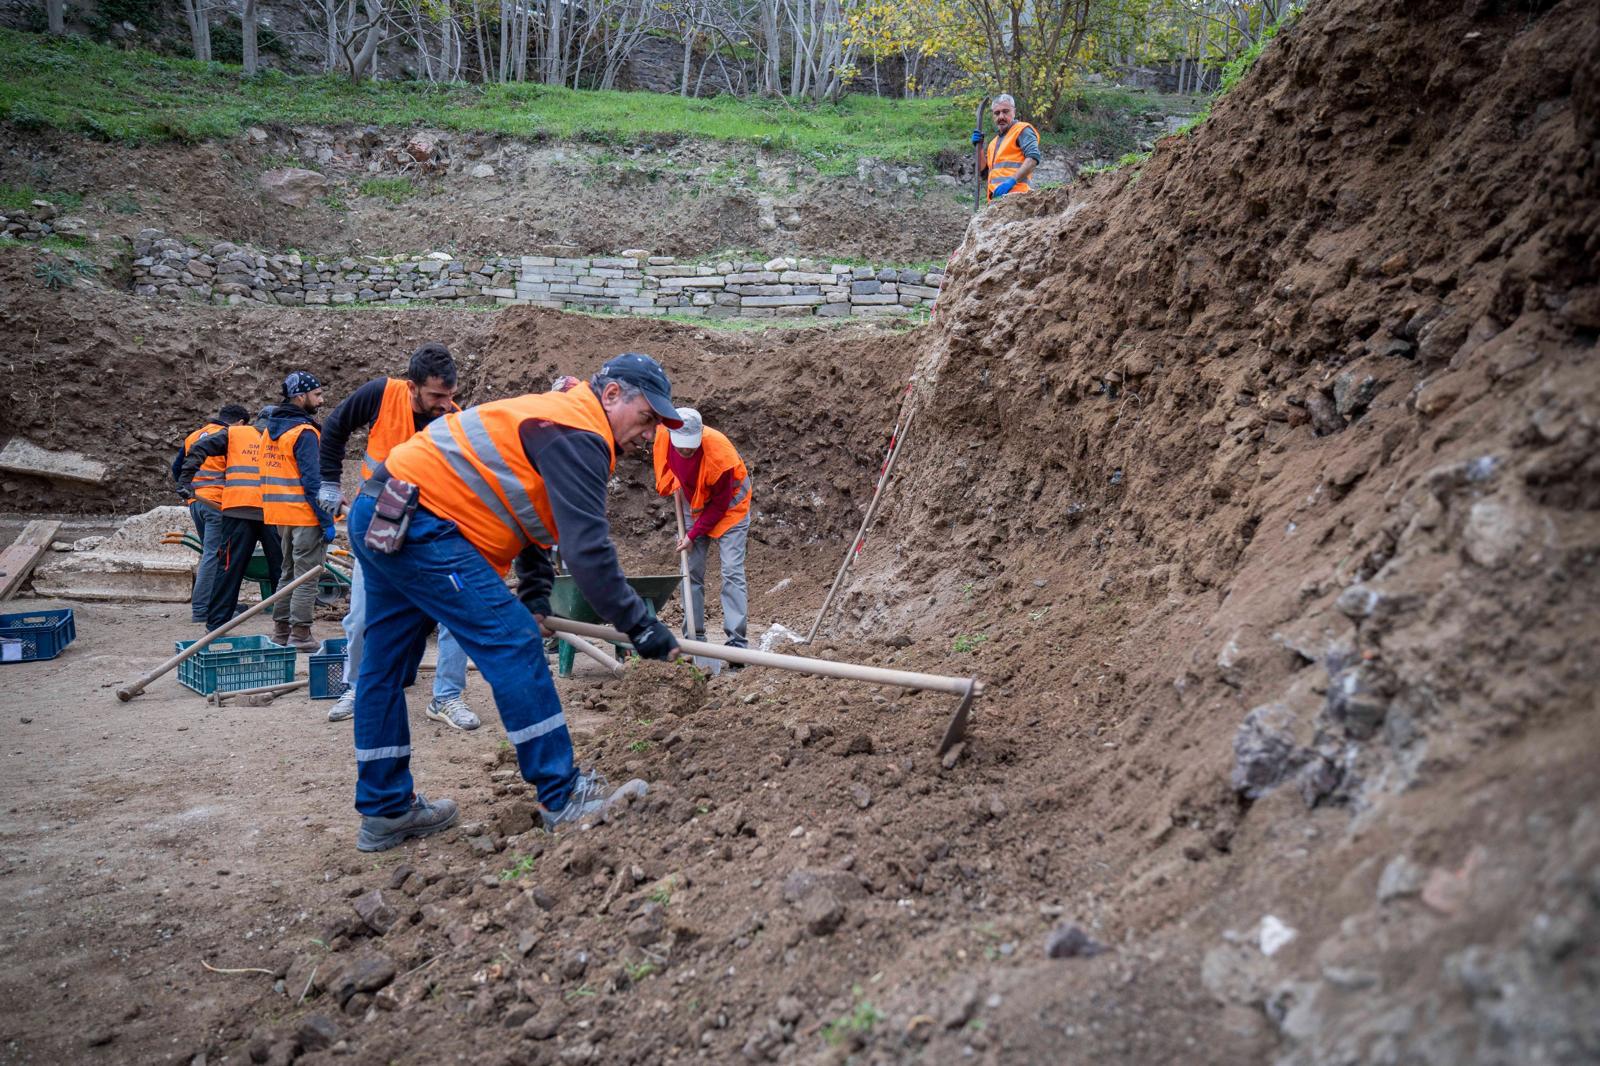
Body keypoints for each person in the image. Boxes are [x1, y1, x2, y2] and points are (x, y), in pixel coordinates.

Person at [346, 353, 684, 851]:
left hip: (384, 508)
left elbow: (528, 515)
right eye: (647, 417)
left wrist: (535, 598)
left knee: (385, 665)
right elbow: (587, 552)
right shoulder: (579, 433)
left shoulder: (560, 419)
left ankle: (385, 808)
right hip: (422, 523)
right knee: (513, 642)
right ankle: (563, 794)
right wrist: (643, 626)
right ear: (613, 395)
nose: (649, 433)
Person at [318, 343, 479, 731]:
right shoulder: (381, 393)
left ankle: (446, 697)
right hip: (375, 523)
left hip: (428, 529)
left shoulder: (454, 421)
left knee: (455, 614)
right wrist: (327, 482)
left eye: (451, 396)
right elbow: (335, 427)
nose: (445, 404)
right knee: (360, 617)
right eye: (437, 395)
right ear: (412, 386)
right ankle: (356, 686)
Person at [652, 407, 752, 650]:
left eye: (691, 446)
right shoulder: (665, 434)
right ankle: (694, 639)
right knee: (691, 571)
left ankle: (737, 643)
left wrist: (693, 534)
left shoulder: (721, 454)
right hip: (692, 503)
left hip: (730, 507)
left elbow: (718, 506)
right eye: (681, 446)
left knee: (731, 571)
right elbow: (665, 467)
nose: (686, 450)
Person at [178, 407, 284, 631]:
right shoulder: (285, 436)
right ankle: (286, 626)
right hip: (272, 513)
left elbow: (199, 448)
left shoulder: (237, 433)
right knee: (281, 569)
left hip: (239, 512)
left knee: (229, 568)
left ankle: (216, 624)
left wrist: (186, 479)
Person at [263, 371, 336, 652]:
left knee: (288, 572)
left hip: (281, 513)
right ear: (300, 396)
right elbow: (312, 481)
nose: (321, 400)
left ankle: (281, 631)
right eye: (317, 395)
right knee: (308, 575)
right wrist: (325, 518)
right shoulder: (304, 433)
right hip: (305, 514)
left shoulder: (272, 430)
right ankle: (301, 634)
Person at [173, 404, 249, 624]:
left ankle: (216, 603)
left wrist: (190, 492)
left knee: (211, 554)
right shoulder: (232, 436)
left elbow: (177, 469)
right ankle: (202, 609)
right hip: (217, 503)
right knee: (214, 555)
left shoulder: (195, 435)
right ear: (241, 423)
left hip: (197, 502)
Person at [975, 94, 1040, 201]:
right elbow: (985, 174)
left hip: (1018, 199)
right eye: (997, 113)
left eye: (1005, 111)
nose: (1001, 116)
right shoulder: (993, 143)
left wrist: (1012, 181)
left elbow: (1033, 159)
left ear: (1014, 112)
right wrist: (979, 148)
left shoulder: (1022, 130)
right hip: (995, 202)